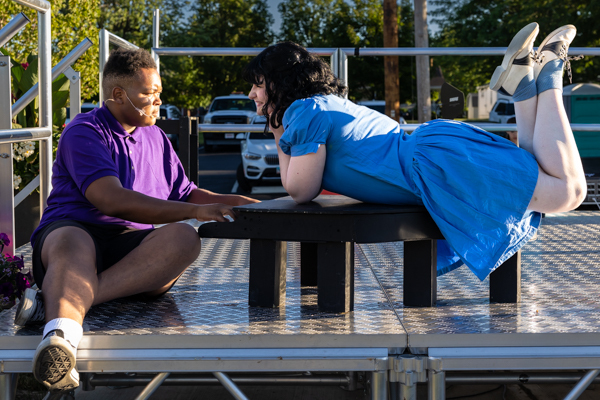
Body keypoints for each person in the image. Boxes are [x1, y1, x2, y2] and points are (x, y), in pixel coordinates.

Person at [243, 23, 585, 278]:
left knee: (570, 192)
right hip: (437, 154)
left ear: (279, 82)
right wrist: (279, 128)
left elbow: (300, 189)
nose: (251, 94)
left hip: (438, 166)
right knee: (535, 169)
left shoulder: (303, 113)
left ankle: (551, 70)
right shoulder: (327, 104)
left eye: (258, 84)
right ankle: (523, 83)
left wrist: (278, 130)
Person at [13, 48, 258, 394]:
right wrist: (194, 213)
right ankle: (61, 339)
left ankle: (55, 304)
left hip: (132, 252)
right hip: (75, 232)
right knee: (72, 241)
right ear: (118, 94)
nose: (159, 100)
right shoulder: (84, 131)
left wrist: (264, 205)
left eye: (159, 93)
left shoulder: (156, 137)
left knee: (185, 239)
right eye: (150, 93)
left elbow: (189, 194)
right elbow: (111, 201)